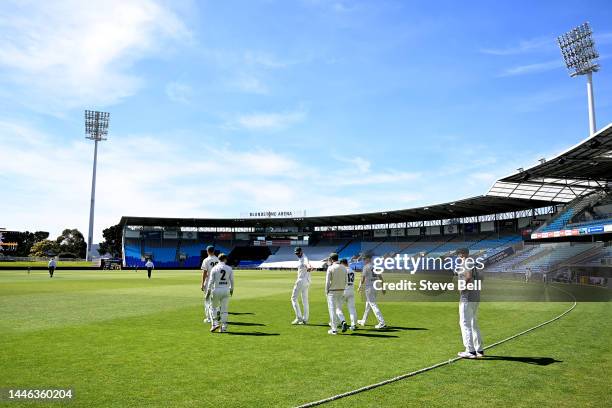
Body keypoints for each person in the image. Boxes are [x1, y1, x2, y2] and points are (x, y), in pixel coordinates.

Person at [455, 248, 484, 359]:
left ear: (463, 254)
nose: (459, 256)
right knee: (473, 323)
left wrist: (462, 287)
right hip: (476, 296)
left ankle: (470, 351)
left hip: (467, 297)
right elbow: (480, 278)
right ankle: (479, 349)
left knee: (465, 323)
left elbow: (468, 276)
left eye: (459, 254)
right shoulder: (474, 263)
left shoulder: (466, 262)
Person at [206, 253, 234, 333]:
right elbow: (232, 281)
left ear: (218, 259)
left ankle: (215, 323)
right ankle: (224, 328)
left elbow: (210, 281)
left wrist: (208, 291)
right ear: (225, 259)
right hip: (226, 290)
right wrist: (231, 290)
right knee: (224, 310)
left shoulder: (214, 268)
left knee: (213, 308)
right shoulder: (229, 268)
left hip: (216, 289)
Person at [357, 253, 386, 329]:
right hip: (375, 287)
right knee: (368, 305)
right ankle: (363, 321)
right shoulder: (375, 266)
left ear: (368, 259)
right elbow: (381, 278)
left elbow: (362, 279)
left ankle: (382, 322)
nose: (363, 260)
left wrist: (359, 287)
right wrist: (383, 287)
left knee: (373, 305)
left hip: (369, 288)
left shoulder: (366, 267)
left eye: (364, 259)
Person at [325, 252, 348, 335]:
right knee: (338, 309)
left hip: (332, 291)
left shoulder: (330, 268)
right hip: (341, 290)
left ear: (331, 259)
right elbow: (346, 280)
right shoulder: (344, 268)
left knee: (332, 310)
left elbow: (327, 282)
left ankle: (334, 329)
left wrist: (326, 291)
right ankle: (343, 321)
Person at [291, 247, 312, 324]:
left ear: (301, 252)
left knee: (293, 298)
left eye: (298, 253)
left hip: (301, 280)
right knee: (305, 300)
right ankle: (305, 319)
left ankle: (299, 318)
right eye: (296, 253)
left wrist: (309, 267)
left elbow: (307, 264)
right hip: (307, 281)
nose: (297, 255)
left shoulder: (304, 258)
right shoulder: (301, 258)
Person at [201, 246, 219, 323]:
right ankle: (217, 314)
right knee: (215, 299)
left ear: (207, 251)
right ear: (214, 251)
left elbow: (205, 273)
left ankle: (208, 318)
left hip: (209, 282)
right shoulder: (218, 259)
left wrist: (202, 284)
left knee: (207, 300)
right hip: (217, 282)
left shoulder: (206, 260)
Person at [338, 259, 357, 330]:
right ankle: (353, 324)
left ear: (342, 264)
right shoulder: (352, 270)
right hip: (351, 290)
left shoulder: (342, 270)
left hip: (343, 291)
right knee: (352, 308)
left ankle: (343, 321)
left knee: (338, 308)